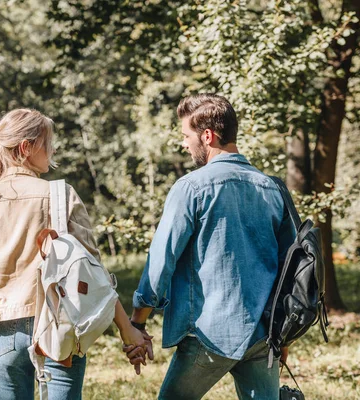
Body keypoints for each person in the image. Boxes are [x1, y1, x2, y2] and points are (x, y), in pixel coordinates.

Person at [0, 108, 147, 400]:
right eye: (49, 142)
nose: (53, 149)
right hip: (61, 326)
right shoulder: (60, 195)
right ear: (26, 147)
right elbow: (93, 273)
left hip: (3, 334)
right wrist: (128, 330)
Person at [125, 94, 296, 399]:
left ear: (207, 135)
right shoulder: (272, 187)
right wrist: (283, 336)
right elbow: (291, 268)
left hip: (209, 334)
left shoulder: (191, 187)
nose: (184, 144)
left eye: (186, 136)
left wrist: (137, 321)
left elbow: (161, 260)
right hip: (262, 334)